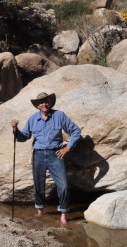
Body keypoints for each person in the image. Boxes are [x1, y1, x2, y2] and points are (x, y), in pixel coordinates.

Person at [11, 92, 81, 225]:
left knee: (64, 185)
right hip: (38, 154)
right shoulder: (32, 119)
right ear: (38, 105)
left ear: (50, 102)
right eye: (41, 102)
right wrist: (15, 129)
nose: (44, 104)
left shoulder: (59, 115)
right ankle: (40, 210)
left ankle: (63, 213)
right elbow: (23, 137)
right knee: (38, 184)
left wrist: (67, 148)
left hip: (56, 154)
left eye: (46, 101)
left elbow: (76, 131)